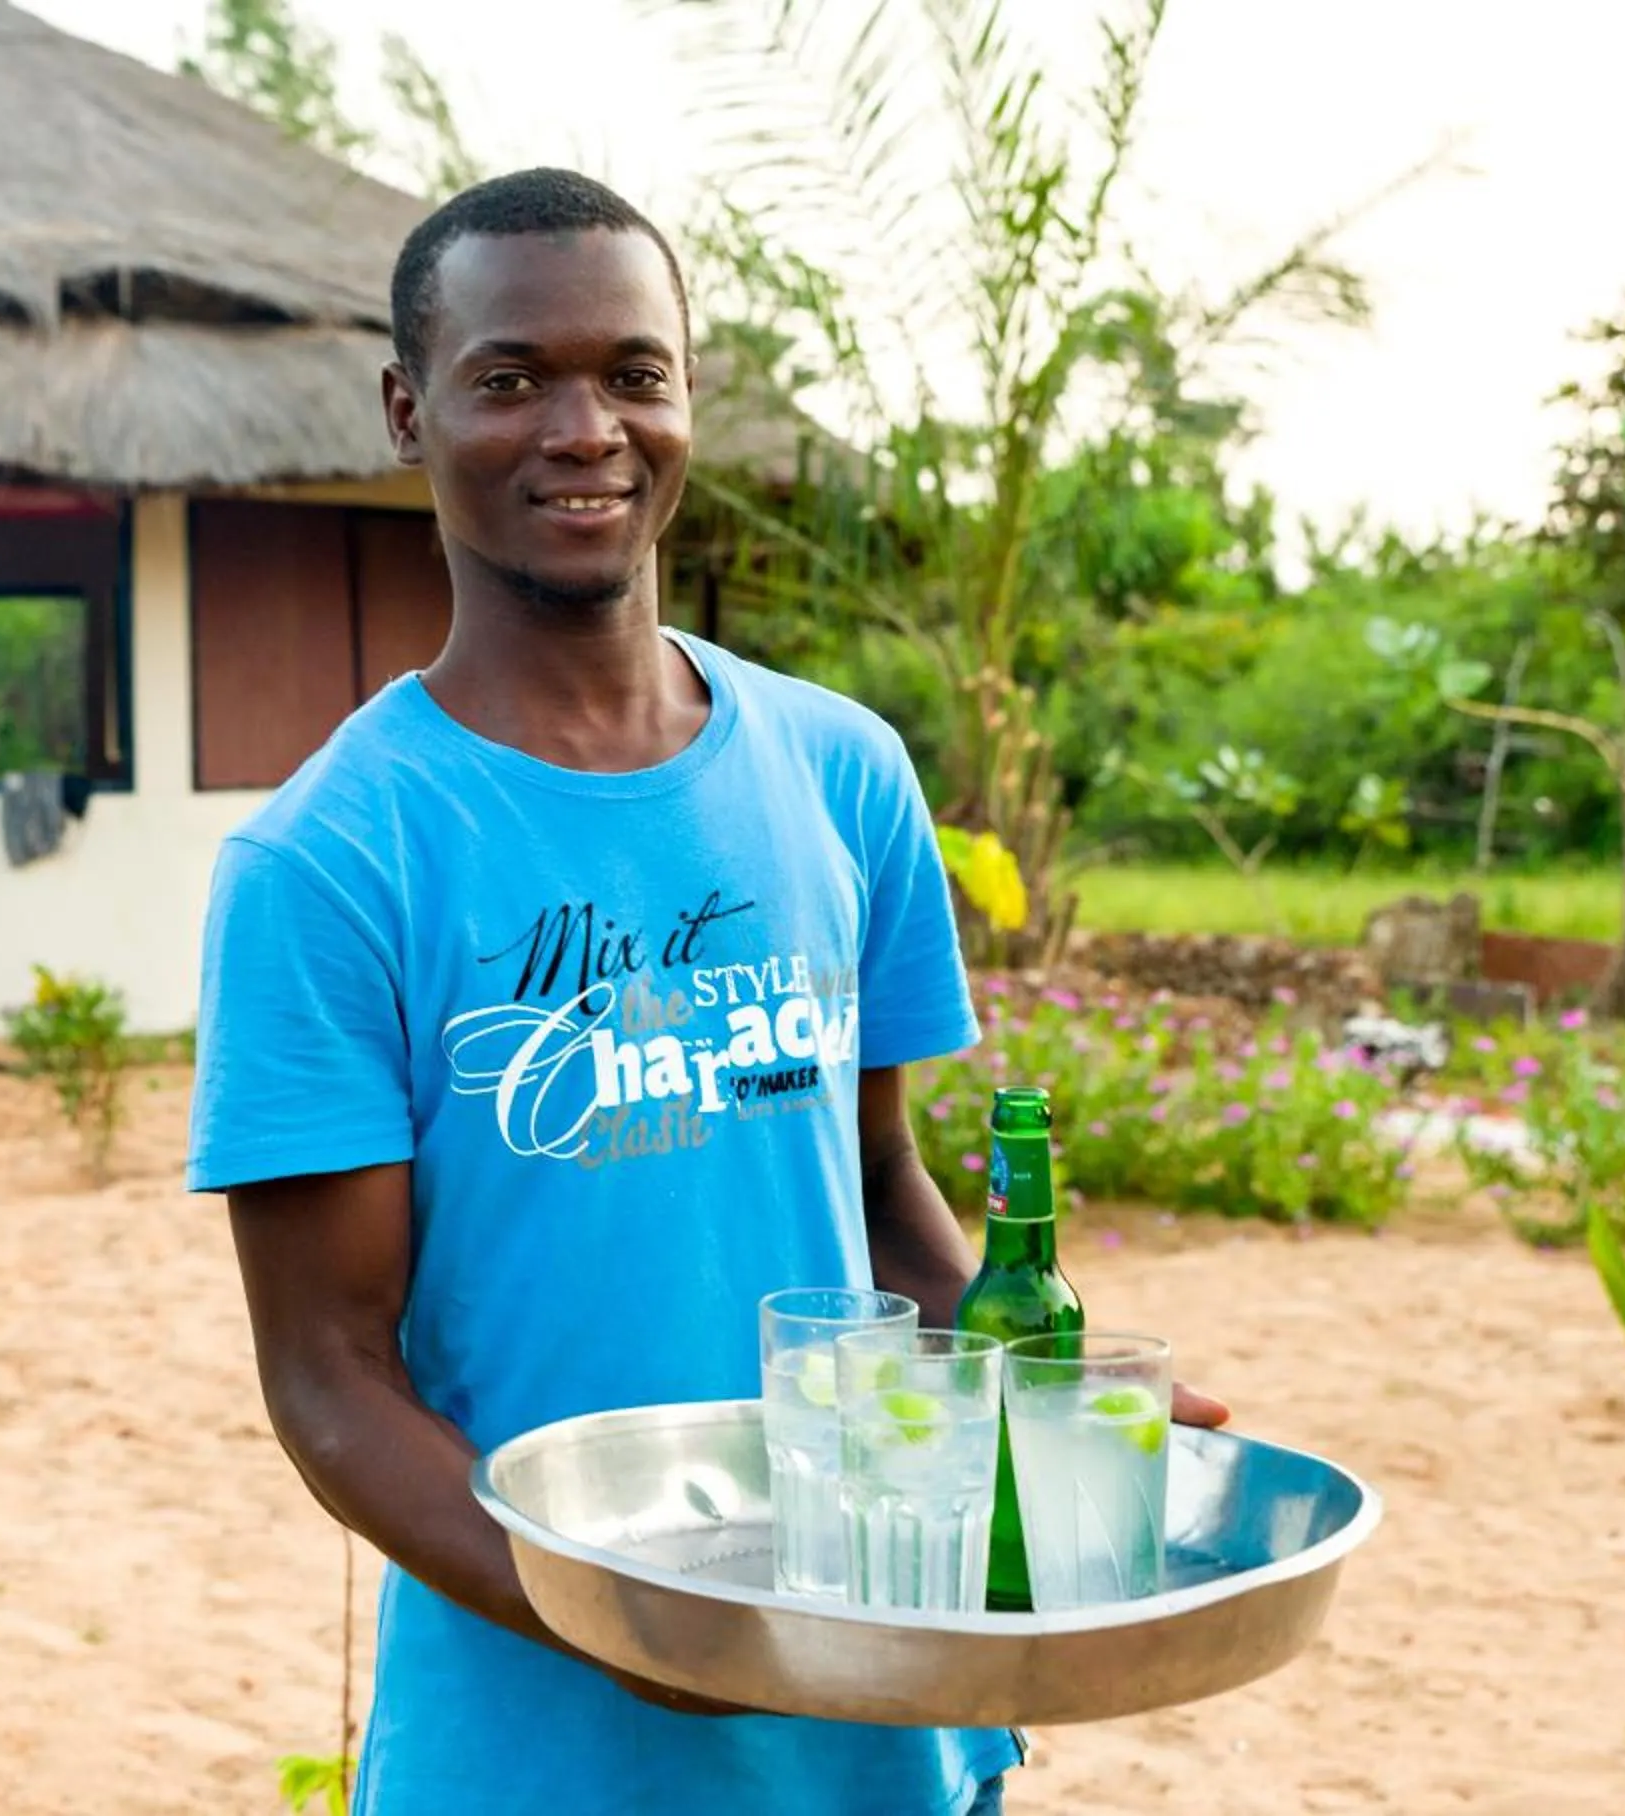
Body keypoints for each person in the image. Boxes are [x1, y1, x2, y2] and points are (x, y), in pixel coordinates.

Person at [187, 168, 1228, 1815]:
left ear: (688, 399)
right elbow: (330, 1375)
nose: (584, 429)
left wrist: (1054, 1416)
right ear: (406, 411)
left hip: (886, 1713)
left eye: (634, 374)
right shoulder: (330, 862)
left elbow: (874, 1192)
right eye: (510, 378)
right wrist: (616, 1615)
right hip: (535, 1744)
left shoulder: (842, 773)